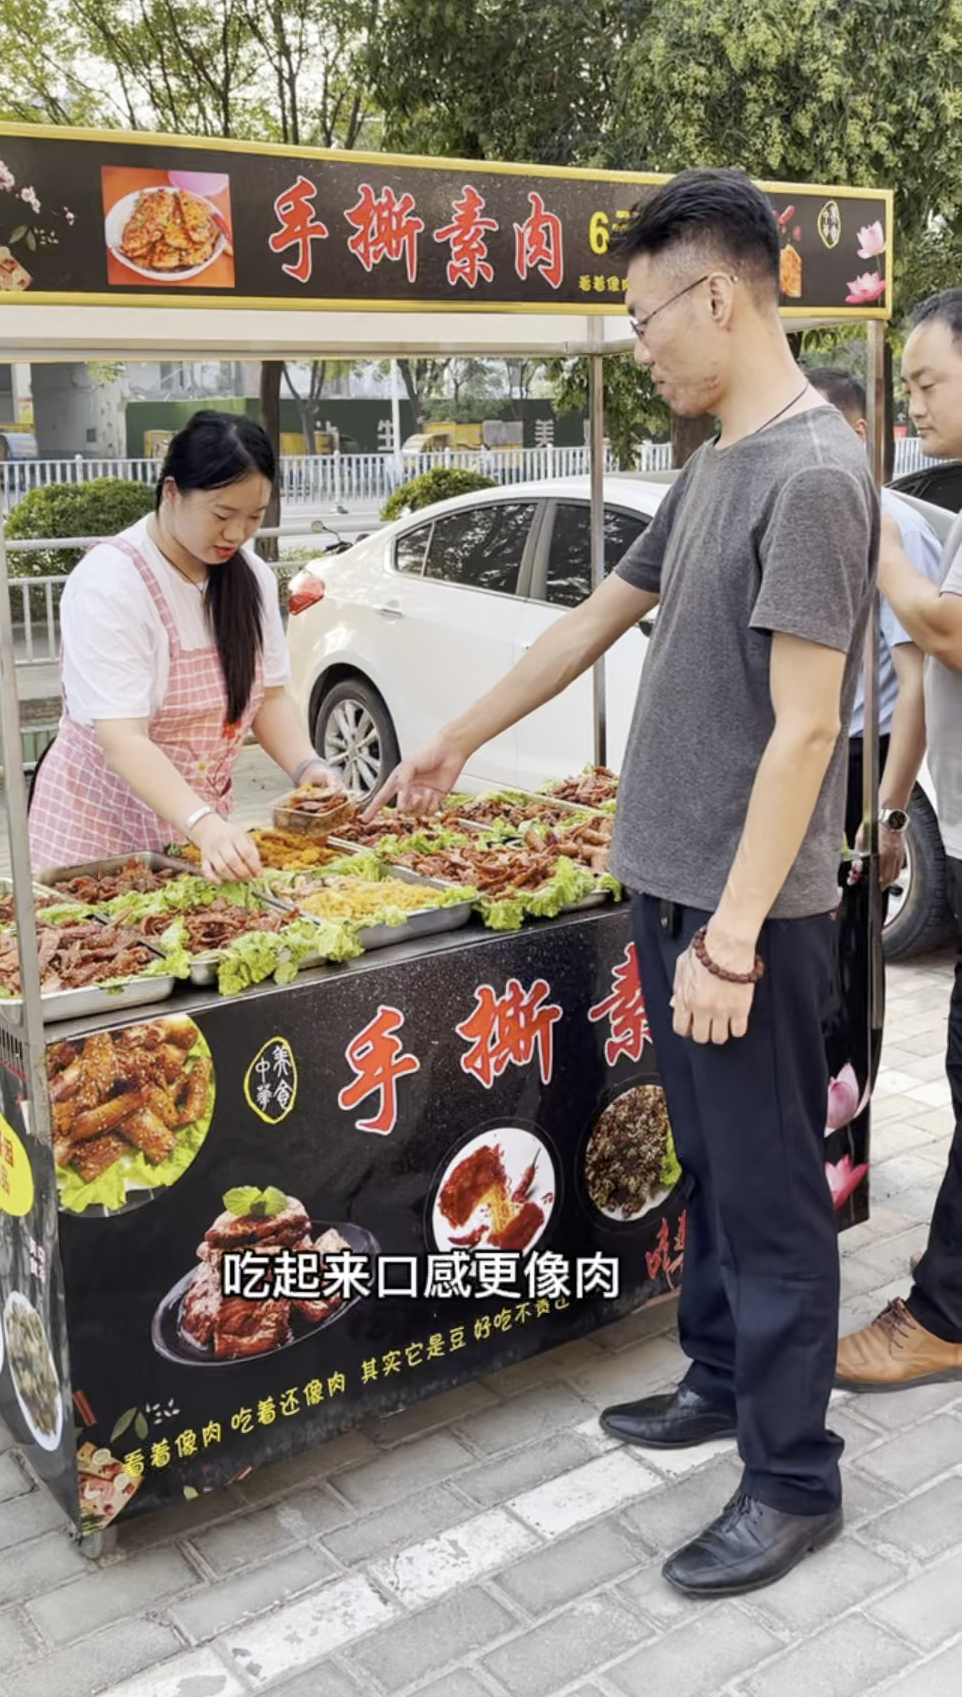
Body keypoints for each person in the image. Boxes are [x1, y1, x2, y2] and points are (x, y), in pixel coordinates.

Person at [372, 169, 878, 1596]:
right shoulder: (715, 463)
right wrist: (459, 736)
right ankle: (717, 1376)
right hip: (670, 895)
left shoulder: (817, 476)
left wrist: (725, 942)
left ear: (717, 295)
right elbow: (600, 613)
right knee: (712, 1167)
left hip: (743, 926)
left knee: (774, 1196)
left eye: (646, 317)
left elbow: (802, 734)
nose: (638, 345)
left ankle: (791, 1480)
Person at [28, 410, 338, 878]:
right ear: (171, 492)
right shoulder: (111, 582)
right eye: (221, 515)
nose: (236, 533)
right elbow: (123, 739)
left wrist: (306, 766)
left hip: (199, 838)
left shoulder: (248, 574)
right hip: (99, 839)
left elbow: (268, 697)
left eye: (253, 517)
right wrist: (204, 824)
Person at [837, 291, 962, 1389]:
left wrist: (864, 517)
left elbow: (935, 628)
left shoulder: (908, 528)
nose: (912, 402)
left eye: (927, 382)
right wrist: (894, 814)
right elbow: (924, 679)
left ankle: (946, 1313)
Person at [805, 368, 939, 891]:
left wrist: (888, 815)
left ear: (857, 434)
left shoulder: (893, 527)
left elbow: (918, 681)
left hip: (863, 760)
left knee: (850, 947)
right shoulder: (812, 518)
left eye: (814, 428)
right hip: (814, 749)